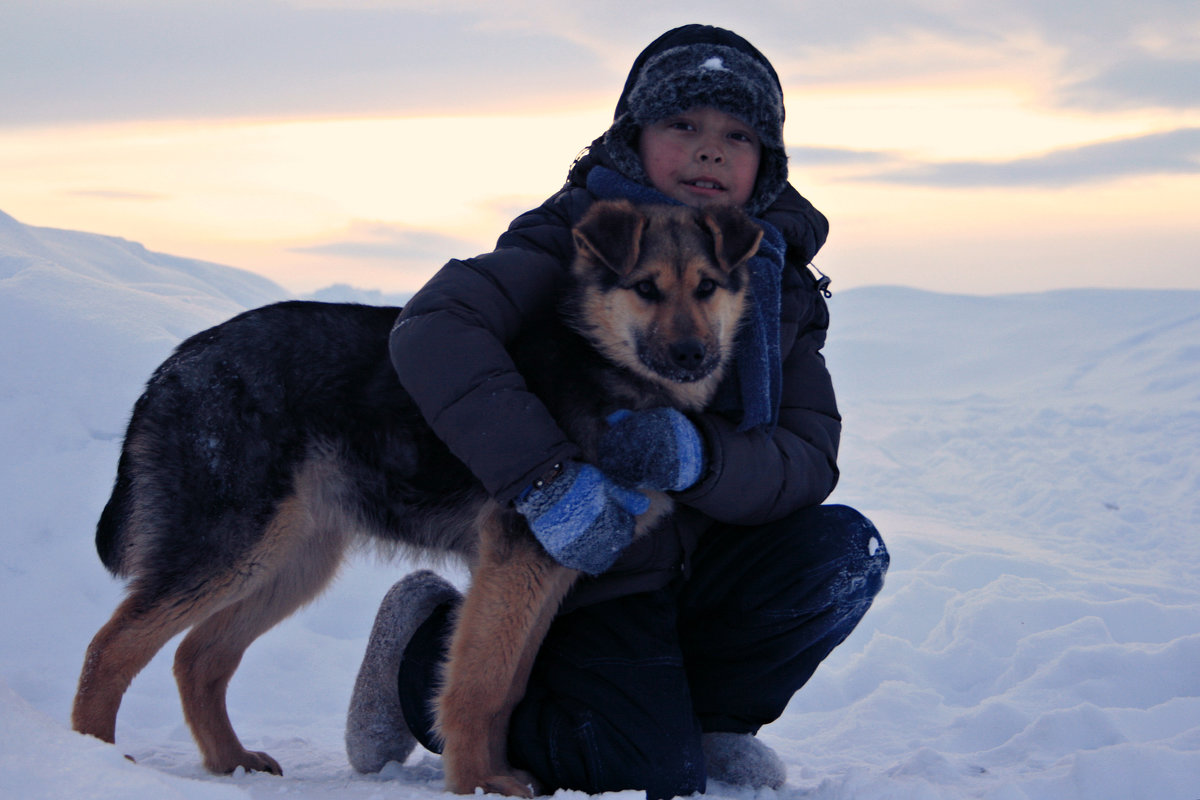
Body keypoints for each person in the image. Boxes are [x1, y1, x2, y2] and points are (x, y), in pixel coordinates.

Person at [344, 24, 889, 798]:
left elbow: (807, 456)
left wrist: (701, 456)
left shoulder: (771, 274)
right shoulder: (573, 236)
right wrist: (546, 480)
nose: (710, 151)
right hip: (596, 566)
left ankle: (704, 720)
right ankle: (418, 655)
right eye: (683, 125)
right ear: (635, 135)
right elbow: (437, 331)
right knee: (639, 771)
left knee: (838, 554)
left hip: (698, 558)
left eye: (737, 135)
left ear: (766, 161)